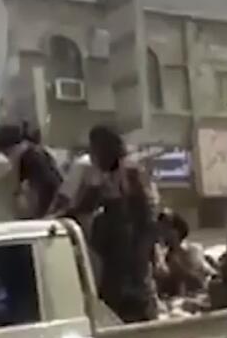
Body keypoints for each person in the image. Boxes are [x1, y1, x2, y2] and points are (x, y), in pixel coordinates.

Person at [67, 125, 160, 323]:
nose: (91, 154)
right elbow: (85, 203)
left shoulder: (129, 171)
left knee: (130, 297)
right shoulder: (102, 174)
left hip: (129, 244)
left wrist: (142, 253)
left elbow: (146, 215)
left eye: (94, 149)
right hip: (113, 245)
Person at [0, 122, 63, 219]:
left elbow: (46, 187)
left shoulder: (32, 159)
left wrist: (40, 215)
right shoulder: (33, 155)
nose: (7, 158)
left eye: (6, 153)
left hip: (46, 211)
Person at [154, 209, 212, 299]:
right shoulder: (162, 256)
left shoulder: (193, 250)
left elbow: (198, 281)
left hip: (197, 296)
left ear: (176, 231)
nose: (162, 232)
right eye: (160, 228)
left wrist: (178, 267)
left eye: (166, 227)